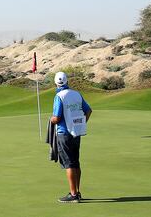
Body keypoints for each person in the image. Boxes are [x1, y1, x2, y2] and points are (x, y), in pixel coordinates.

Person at [51, 72, 92, 203]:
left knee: (68, 164)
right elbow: (88, 110)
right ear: (67, 81)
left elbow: (57, 118)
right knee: (75, 162)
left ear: (56, 83)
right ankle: (77, 192)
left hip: (64, 133)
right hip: (76, 133)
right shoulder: (76, 94)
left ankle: (73, 194)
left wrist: (51, 120)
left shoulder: (59, 96)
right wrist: (82, 123)